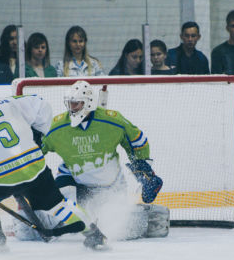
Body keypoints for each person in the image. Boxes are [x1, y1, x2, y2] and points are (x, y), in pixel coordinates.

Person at [0, 79, 107, 250]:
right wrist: (39, 133)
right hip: (35, 165)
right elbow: (42, 105)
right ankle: (93, 233)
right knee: (58, 205)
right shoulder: (10, 101)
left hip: (2, 178)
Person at [38, 80, 167, 240]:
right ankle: (50, 219)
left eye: (76, 104)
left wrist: (144, 169)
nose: (72, 108)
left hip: (109, 185)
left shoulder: (112, 121)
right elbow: (36, 150)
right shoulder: (56, 126)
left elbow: (137, 140)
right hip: (72, 179)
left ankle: (144, 215)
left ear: (89, 103)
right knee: (58, 208)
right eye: (70, 104)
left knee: (119, 228)